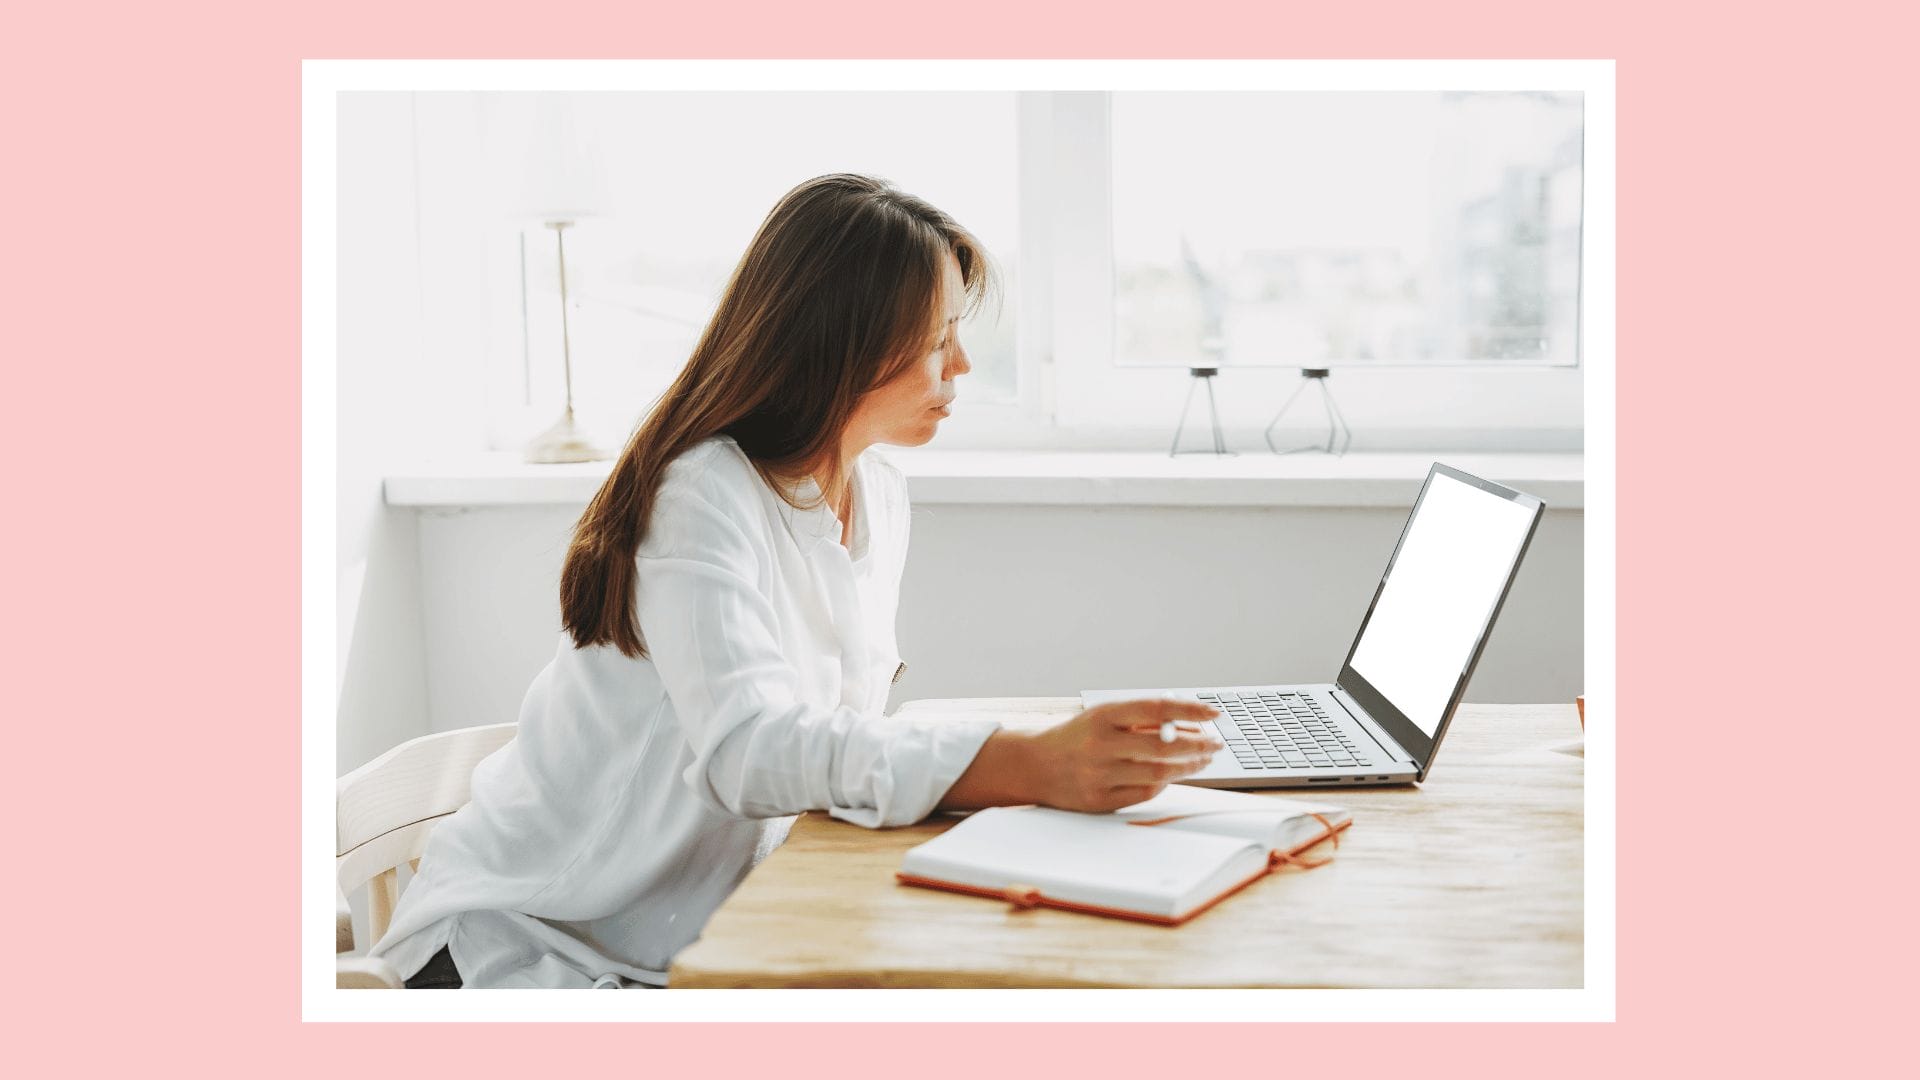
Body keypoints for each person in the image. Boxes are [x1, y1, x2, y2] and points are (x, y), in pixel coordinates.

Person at [369, 174, 1224, 988]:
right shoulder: (702, 490)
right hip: (531, 947)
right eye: (937, 339)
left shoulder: (877, 493)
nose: (960, 365)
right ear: (842, 346)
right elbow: (753, 750)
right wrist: (1024, 765)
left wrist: (1036, 766)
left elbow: (828, 741)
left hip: (694, 934)